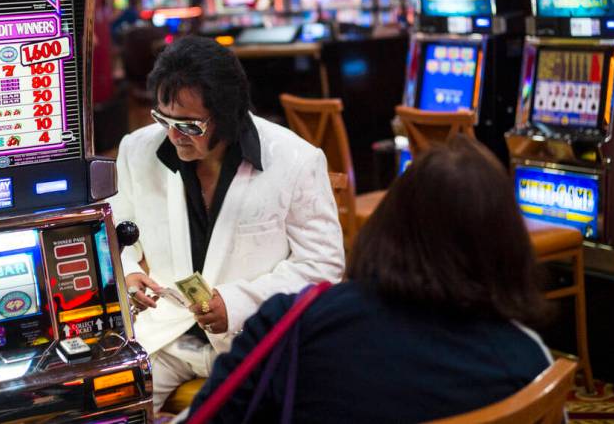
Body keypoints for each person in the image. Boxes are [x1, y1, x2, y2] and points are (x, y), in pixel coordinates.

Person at [183, 135, 553, 423]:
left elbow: (206, 417)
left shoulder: (294, 320)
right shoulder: (530, 365)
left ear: (386, 224)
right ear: (508, 245)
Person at [110, 36, 344, 412]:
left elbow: (322, 267)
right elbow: (115, 235)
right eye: (163, 118)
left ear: (228, 113)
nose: (172, 136)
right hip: (165, 335)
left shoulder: (296, 159)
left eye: (188, 126)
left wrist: (235, 303)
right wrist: (128, 272)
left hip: (250, 339)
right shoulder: (137, 149)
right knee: (110, 409)